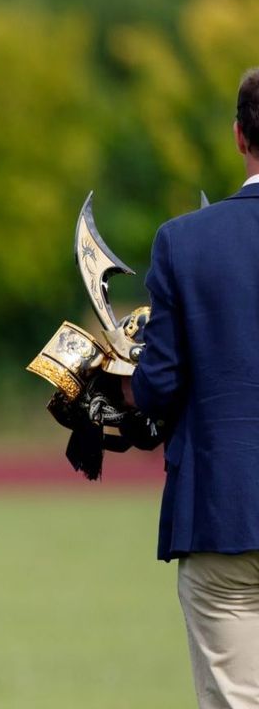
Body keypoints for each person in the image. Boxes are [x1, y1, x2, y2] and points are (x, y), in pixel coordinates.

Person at [129, 68, 259, 708]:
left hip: (223, 511)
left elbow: (157, 388)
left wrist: (114, 387)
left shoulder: (184, 241)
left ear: (240, 137)